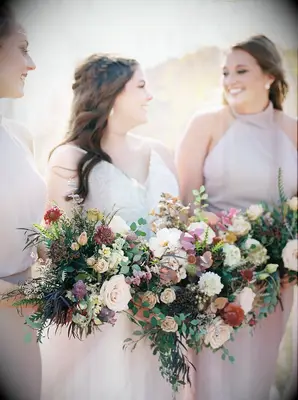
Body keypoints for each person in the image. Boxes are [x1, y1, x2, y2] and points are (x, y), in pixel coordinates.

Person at [42, 53, 179, 400]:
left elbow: (183, 228)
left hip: (161, 322)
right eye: (142, 86)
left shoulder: (161, 152)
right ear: (113, 94)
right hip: (100, 327)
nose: (150, 96)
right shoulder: (69, 159)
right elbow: (61, 249)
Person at [176, 34, 297, 400]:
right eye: (225, 72)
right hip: (215, 277)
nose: (230, 80)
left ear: (270, 76)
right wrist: (216, 251)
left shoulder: (292, 129)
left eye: (241, 70)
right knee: (213, 378)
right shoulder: (207, 124)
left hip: (275, 282)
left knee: (256, 378)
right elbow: (184, 205)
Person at [0, 2, 46, 399]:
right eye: (23, 48)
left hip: (25, 318)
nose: (31, 64)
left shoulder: (19, 134)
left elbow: (31, 228)